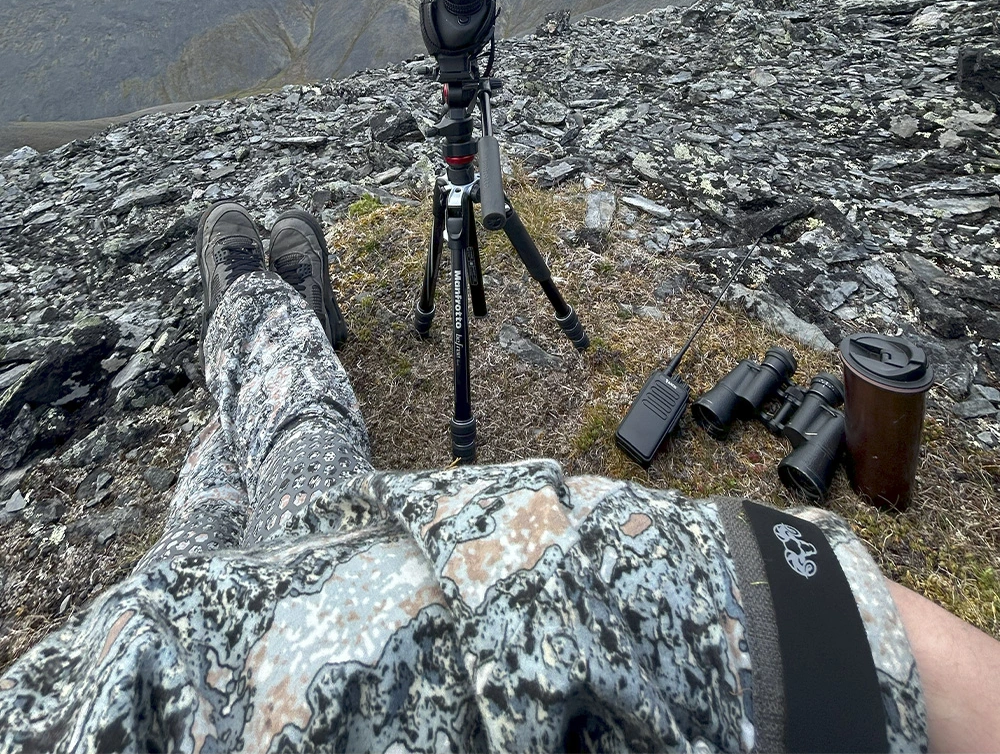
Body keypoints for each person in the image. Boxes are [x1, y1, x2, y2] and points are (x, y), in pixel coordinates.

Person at [0, 202, 997, 754]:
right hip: (328, 593)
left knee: (218, 493)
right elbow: (870, 655)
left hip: (151, 648)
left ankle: (261, 314)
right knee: (299, 445)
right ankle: (275, 325)